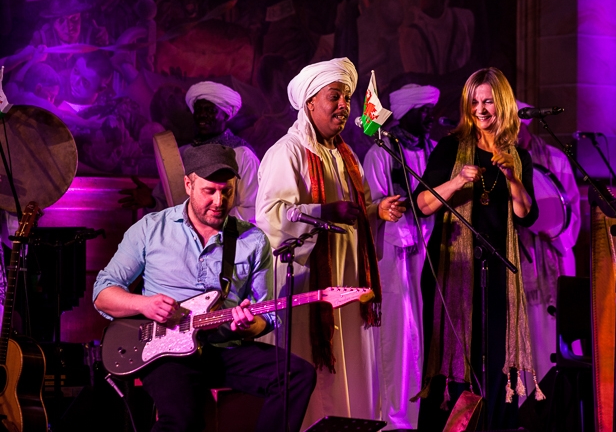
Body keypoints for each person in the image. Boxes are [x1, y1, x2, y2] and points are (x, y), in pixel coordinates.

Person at [93, 144, 316, 432]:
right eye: (209, 191)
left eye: (227, 191)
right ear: (188, 185)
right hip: (165, 352)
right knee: (183, 420)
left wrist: (248, 326)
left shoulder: (252, 240)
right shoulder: (151, 229)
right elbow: (103, 294)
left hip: (223, 349)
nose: (219, 201)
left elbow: (267, 315)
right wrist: (145, 305)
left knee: (297, 375)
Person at [256, 57, 405, 429]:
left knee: (350, 365)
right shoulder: (287, 152)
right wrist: (324, 211)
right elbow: (270, 217)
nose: (344, 106)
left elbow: (352, 215)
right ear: (310, 103)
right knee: (312, 372)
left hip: (348, 283)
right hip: (306, 288)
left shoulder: (346, 154)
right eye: (334, 97)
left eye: (347, 98)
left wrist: (375, 211)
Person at [414, 67, 540, 431]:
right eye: (474, 102)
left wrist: (513, 177)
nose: (481, 110)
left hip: (498, 271)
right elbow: (422, 204)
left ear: (503, 104)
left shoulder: (518, 156)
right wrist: (456, 181)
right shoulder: (450, 148)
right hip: (452, 269)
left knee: (496, 356)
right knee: (455, 357)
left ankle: (493, 425)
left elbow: (526, 215)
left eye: (488, 102)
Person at [363, 83, 439, 429]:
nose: (430, 118)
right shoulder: (381, 152)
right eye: (423, 112)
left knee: (426, 332)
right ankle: (395, 418)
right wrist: (404, 210)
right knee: (399, 334)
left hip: (430, 251)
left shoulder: (433, 150)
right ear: (406, 113)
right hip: (395, 256)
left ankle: (424, 415)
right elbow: (376, 205)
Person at [119, 81, 260, 223]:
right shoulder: (181, 154)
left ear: (225, 115)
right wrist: (152, 202)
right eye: (198, 110)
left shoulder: (242, 156)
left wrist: (207, 221)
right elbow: (172, 205)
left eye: (209, 110)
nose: (202, 115)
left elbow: (251, 210)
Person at [516, 112, 581, 386]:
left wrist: (554, 234)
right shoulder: (502, 161)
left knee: (557, 325)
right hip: (521, 255)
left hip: (555, 253)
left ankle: (562, 395)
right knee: (528, 329)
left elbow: (571, 208)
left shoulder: (555, 158)